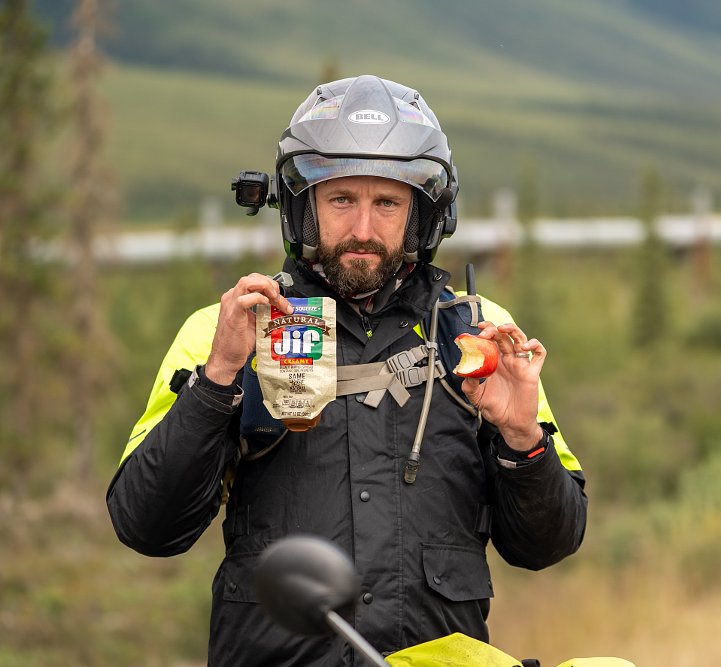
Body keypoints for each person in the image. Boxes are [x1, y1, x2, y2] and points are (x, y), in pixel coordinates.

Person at [106, 74, 587, 666]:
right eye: (341, 200)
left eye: (386, 202)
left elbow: (549, 544)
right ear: (302, 206)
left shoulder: (480, 335)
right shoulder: (224, 331)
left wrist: (522, 439)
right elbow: (145, 526)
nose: (363, 229)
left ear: (423, 215)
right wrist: (220, 377)